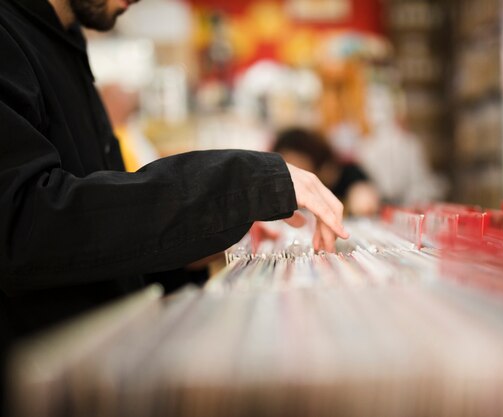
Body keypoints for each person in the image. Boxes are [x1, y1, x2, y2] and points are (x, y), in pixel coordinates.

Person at [0, 0, 348, 343]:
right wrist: (238, 185)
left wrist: (193, 242)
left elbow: (87, 246)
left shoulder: (64, 40)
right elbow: (22, 225)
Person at [272, 128, 380, 216]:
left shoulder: (346, 173)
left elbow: (364, 197)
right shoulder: (283, 188)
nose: (290, 171)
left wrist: (363, 202)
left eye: (292, 162)